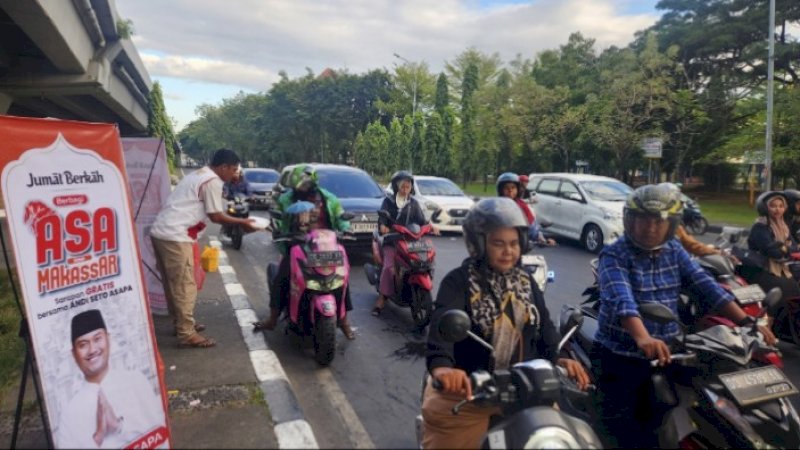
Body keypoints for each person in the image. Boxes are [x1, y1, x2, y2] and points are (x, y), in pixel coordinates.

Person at [591, 184, 777, 448]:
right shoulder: (615, 253)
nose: (650, 227)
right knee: (628, 432)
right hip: (622, 353)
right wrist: (643, 338)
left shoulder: (674, 250)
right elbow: (622, 300)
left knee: (703, 401)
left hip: (667, 349)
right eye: (642, 219)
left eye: (658, 220)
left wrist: (748, 322)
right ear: (629, 220)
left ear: (671, 224)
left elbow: (706, 286)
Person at [421, 197, 590, 449]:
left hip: (526, 388)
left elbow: (544, 327)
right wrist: (444, 369)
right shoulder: (458, 282)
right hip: (471, 390)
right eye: (498, 243)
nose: (508, 251)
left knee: (562, 437)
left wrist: (561, 357)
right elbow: (442, 329)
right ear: (478, 244)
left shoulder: (526, 282)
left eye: (513, 243)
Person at [150, 148, 258, 348]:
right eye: (233, 169)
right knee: (185, 285)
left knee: (173, 285)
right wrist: (242, 222)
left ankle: (181, 324)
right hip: (175, 235)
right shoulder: (212, 181)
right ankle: (186, 333)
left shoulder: (201, 174)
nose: (235, 174)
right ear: (223, 167)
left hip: (164, 233)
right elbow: (216, 216)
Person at [253, 164, 355, 339]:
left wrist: (345, 228)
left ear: (312, 182)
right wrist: (278, 229)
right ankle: (273, 318)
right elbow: (278, 218)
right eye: (297, 185)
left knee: (341, 278)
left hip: (325, 245)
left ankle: (344, 321)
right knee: (282, 277)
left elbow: (339, 215)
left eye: (303, 184)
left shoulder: (327, 198)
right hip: (297, 245)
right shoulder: (287, 199)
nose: (300, 188)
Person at [56, 309, 165, 448]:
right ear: (74, 354)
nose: (92, 349)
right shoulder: (70, 413)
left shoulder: (136, 381)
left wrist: (119, 427)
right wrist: (98, 437)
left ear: (108, 339)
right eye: (83, 345)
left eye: (97, 339)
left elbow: (161, 436)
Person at [371, 170, 438, 316]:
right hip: (393, 240)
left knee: (424, 262)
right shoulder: (388, 202)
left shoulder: (413, 203)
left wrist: (431, 227)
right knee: (389, 268)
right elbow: (382, 219)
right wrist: (384, 227)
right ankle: (382, 299)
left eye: (408, 184)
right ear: (396, 186)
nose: (406, 186)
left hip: (411, 241)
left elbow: (422, 221)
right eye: (403, 184)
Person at [742, 191, 800, 302]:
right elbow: (773, 252)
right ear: (764, 207)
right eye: (773, 206)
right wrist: (786, 248)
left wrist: (785, 248)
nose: (777, 209)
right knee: (785, 291)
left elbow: (793, 247)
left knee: (794, 291)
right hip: (763, 269)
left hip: (781, 267)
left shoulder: (783, 227)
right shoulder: (760, 226)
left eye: (781, 206)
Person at [496, 172, 555, 247]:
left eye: (513, 187)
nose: (510, 190)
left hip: (518, 244)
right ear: (500, 190)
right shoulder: (496, 205)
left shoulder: (522, 205)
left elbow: (532, 227)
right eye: (506, 188)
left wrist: (542, 239)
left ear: (518, 189)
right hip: (499, 243)